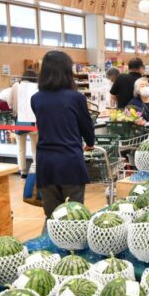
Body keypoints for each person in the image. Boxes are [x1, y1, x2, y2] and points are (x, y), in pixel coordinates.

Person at [31, 51, 95, 218]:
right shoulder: (75, 98)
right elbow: (86, 127)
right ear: (67, 72)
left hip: (46, 164)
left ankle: (46, 244)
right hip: (70, 163)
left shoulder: (36, 99)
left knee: (52, 217)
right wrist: (89, 143)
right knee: (74, 218)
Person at [10, 69, 39, 178]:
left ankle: (22, 172)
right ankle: (36, 170)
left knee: (21, 148)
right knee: (35, 148)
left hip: (20, 121)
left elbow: (10, 102)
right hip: (33, 122)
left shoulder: (16, 86)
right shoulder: (36, 87)